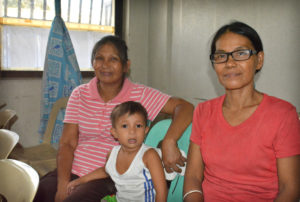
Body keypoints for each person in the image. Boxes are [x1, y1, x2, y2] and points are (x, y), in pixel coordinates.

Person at [34, 35, 194, 202]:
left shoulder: (140, 94)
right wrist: (62, 184)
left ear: (126, 66)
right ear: (93, 63)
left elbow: (185, 107)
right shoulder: (79, 94)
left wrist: (169, 141)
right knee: (42, 191)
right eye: (99, 59)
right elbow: (67, 143)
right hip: (74, 170)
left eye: (113, 59)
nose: (105, 65)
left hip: (111, 175)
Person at [183, 21, 300, 202]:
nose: (230, 63)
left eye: (240, 53)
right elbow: (193, 178)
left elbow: (290, 188)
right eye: (221, 56)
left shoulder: (283, 114)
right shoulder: (203, 111)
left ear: (259, 59)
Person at [67, 101, 168, 202]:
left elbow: (162, 191)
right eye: (125, 126)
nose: (132, 131)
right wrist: (80, 181)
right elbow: (105, 170)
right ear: (114, 133)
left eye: (138, 126)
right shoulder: (112, 154)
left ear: (145, 130)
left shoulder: (149, 155)